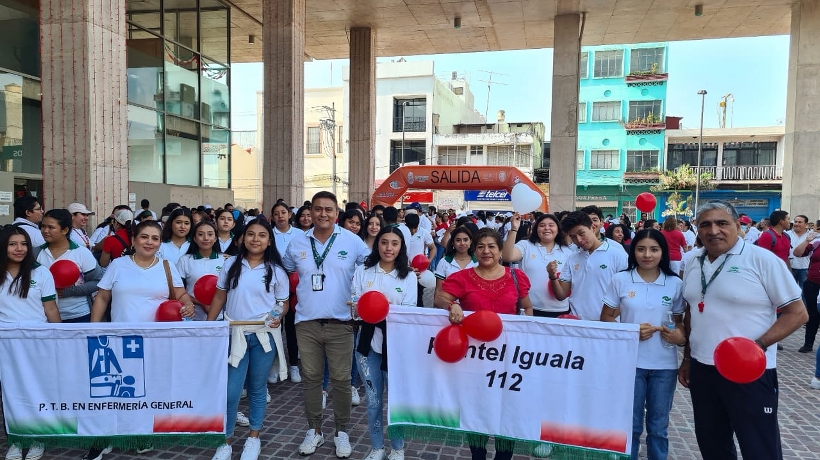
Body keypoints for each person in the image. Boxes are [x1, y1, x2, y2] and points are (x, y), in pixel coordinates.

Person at [678, 200, 806, 460]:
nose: (714, 230)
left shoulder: (762, 260)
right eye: (705, 224)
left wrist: (757, 346)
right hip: (704, 370)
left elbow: (797, 313)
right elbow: (693, 311)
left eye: (722, 223)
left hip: (750, 371)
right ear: (697, 230)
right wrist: (689, 358)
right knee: (712, 443)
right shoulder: (693, 262)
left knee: (759, 446)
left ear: (738, 226)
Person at [88, 220, 194, 459]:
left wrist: (187, 304)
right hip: (118, 339)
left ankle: (140, 433)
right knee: (113, 390)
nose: (149, 242)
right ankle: (105, 437)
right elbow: (103, 298)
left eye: (155, 238)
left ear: (160, 243)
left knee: (148, 389)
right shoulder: (118, 264)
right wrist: (94, 330)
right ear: (134, 240)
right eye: (144, 237)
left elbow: (181, 294)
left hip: (155, 342)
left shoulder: (167, 266)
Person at [282, 191, 370, 458]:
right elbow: (283, 270)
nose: (323, 214)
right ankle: (315, 430)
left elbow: (372, 267)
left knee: (342, 381)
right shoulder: (297, 243)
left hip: (341, 323)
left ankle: (341, 432)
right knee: (310, 380)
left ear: (337, 213)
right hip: (306, 323)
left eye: (328, 210)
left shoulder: (352, 241)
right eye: (318, 209)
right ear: (311, 211)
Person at [434, 228, 532, 460]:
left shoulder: (517, 277)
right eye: (481, 247)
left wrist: (525, 327)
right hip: (474, 357)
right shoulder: (462, 277)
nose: (486, 251)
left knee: (507, 409)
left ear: (500, 252)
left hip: (508, 356)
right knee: (475, 408)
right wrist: (453, 306)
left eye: (491, 247)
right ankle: (477, 455)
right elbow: (440, 297)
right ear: (474, 251)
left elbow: (527, 306)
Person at [208, 218, 290, 460]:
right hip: (235, 335)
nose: (256, 239)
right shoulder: (231, 263)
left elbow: (282, 303)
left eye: (262, 235)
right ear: (243, 238)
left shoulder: (276, 271)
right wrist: (210, 326)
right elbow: (219, 297)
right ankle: (225, 441)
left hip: (263, 338)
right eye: (251, 234)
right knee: (231, 391)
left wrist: (278, 316)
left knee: (257, 388)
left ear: (269, 240)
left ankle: (254, 437)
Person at [601, 229, 686, 460]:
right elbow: (606, 318)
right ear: (633, 251)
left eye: (654, 249)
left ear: (663, 252)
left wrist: (680, 337)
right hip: (630, 364)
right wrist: (630, 331)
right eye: (641, 249)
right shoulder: (620, 279)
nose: (647, 254)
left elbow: (680, 324)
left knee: (659, 427)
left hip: (664, 366)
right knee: (631, 424)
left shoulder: (675, 283)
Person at [351, 227, 418, 460]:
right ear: (377, 244)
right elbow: (355, 304)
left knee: (396, 400)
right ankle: (377, 446)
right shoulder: (363, 271)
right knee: (373, 400)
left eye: (394, 243)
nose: (389, 248)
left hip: (396, 346)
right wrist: (367, 308)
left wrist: (383, 308)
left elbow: (409, 310)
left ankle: (397, 447)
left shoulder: (408, 276)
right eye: (384, 242)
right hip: (367, 344)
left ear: (401, 247)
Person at [0, 225, 60, 460]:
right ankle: (15, 440)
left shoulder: (41, 273)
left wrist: (60, 339)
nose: (19, 249)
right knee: (10, 394)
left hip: (38, 343)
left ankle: (37, 439)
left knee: (36, 392)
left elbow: (51, 308)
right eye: (12, 244)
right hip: (6, 344)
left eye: (24, 244)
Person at [548, 212, 628, 320]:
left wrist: (606, 318)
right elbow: (561, 295)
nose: (579, 240)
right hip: (578, 323)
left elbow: (627, 294)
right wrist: (552, 276)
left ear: (593, 227)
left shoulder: (617, 255)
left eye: (581, 233)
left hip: (606, 325)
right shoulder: (573, 258)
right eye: (573, 237)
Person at [502, 213, 574, 317]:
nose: (546, 228)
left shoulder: (567, 252)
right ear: (536, 229)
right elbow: (507, 257)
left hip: (559, 310)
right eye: (542, 225)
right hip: (530, 308)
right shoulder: (526, 245)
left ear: (558, 229)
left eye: (551, 225)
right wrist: (514, 229)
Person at [37, 209, 102, 322]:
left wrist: (71, 291)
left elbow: (97, 281)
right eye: (43, 226)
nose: (45, 231)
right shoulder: (36, 253)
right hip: (44, 317)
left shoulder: (81, 253)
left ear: (65, 230)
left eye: (51, 227)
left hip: (79, 315)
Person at [176, 220, 224, 321]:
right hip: (192, 317)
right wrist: (201, 303)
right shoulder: (185, 260)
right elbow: (178, 291)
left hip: (219, 318)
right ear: (194, 238)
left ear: (215, 238)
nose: (206, 238)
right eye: (201, 234)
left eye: (210, 234)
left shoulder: (224, 260)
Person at [792, 228, 820, 354]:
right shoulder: (816, 242)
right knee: (812, 314)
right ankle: (808, 343)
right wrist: (807, 241)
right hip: (813, 284)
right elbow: (797, 253)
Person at [434, 226, 477, 302]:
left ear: (470, 241)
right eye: (458, 240)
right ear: (453, 243)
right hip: (448, 308)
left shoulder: (478, 263)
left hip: (473, 307)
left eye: (465, 240)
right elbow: (438, 290)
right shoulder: (444, 261)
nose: (462, 243)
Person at [403, 213, 435, 307]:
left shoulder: (424, 232)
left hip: (419, 270)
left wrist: (429, 260)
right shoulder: (402, 232)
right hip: (405, 269)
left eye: (415, 228)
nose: (413, 230)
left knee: (418, 295)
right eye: (410, 228)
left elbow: (433, 248)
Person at [787, 214, 811, 289]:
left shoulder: (811, 236)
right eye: (795, 222)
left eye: (800, 222)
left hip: (805, 267)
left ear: (806, 224)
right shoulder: (787, 234)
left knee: (804, 291)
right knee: (790, 289)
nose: (796, 224)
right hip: (789, 267)